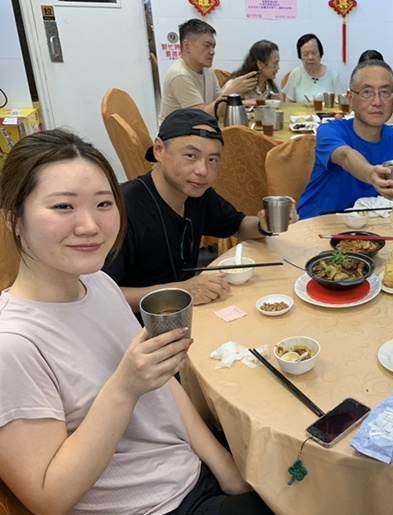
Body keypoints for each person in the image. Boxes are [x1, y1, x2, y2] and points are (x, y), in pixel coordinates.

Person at [0, 129, 272, 514]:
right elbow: (48, 498)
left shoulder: (98, 283)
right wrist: (124, 388)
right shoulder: (12, 344)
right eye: (63, 206)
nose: (90, 226)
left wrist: (226, 468)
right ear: (14, 218)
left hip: (189, 470)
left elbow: (162, 385)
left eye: (103, 203)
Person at [103, 108, 297, 312]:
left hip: (189, 312)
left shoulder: (197, 194)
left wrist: (264, 225)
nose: (203, 170)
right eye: (190, 156)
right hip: (141, 324)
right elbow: (100, 297)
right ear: (159, 149)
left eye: (212, 159)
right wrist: (181, 290)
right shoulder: (122, 210)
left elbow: (238, 225)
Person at [296, 59, 393, 219]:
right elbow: (345, 156)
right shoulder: (329, 131)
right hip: (318, 223)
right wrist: (370, 173)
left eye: (385, 92)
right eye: (367, 92)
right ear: (350, 98)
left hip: (370, 229)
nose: (377, 102)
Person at [158, 19, 258, 124]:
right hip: (178, 133)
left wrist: (241, 100)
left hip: (200, 129)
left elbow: (219, 106)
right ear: (187, 46)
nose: (212, 52)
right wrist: (231, 91)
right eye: (207, 46)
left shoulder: (206, 69)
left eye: (213, 46)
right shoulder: (179, 75)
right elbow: (199, 118)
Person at [282, 34, 342, 103]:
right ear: (300, 57)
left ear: (320, 54)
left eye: (314, 53)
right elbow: (289, 105)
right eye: (305, 54)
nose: (310, 57)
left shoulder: (333, 75)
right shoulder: (295, 74)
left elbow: (339, 103)